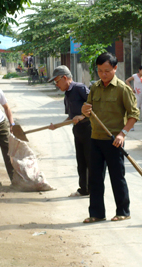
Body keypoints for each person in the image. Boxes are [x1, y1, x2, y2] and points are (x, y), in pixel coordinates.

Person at [81, 52, 140, 223]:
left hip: (114, 140)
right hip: (95, 138)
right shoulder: (94, 88)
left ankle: (123, 211)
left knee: (117, 177)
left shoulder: (122, 89)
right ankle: (96, 213)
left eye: (107, 70)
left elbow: (133, 114)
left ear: (115, 68)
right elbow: (87, 108)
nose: (103, 74)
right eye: (100, 71)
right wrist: (84, 111)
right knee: (95, 178)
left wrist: (123, 134)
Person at [47, 65, 91, 197]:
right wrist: (57, 125)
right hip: (78, 131)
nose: (56, 85)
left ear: (64, 78)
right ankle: (83, 189)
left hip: (89, 130)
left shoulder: (80, 88)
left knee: (90, 161)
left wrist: (82, 116)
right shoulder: (67, 94)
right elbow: (71, 117)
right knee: (81, 161)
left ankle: (92, 190)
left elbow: (95, 106)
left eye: (57, 81)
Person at [125, 65, 142, 130]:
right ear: (139, 70)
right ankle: (132, 126)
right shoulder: (134, 76)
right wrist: (131, 89)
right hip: (136, 95)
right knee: (135, 110)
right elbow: (127, 81)